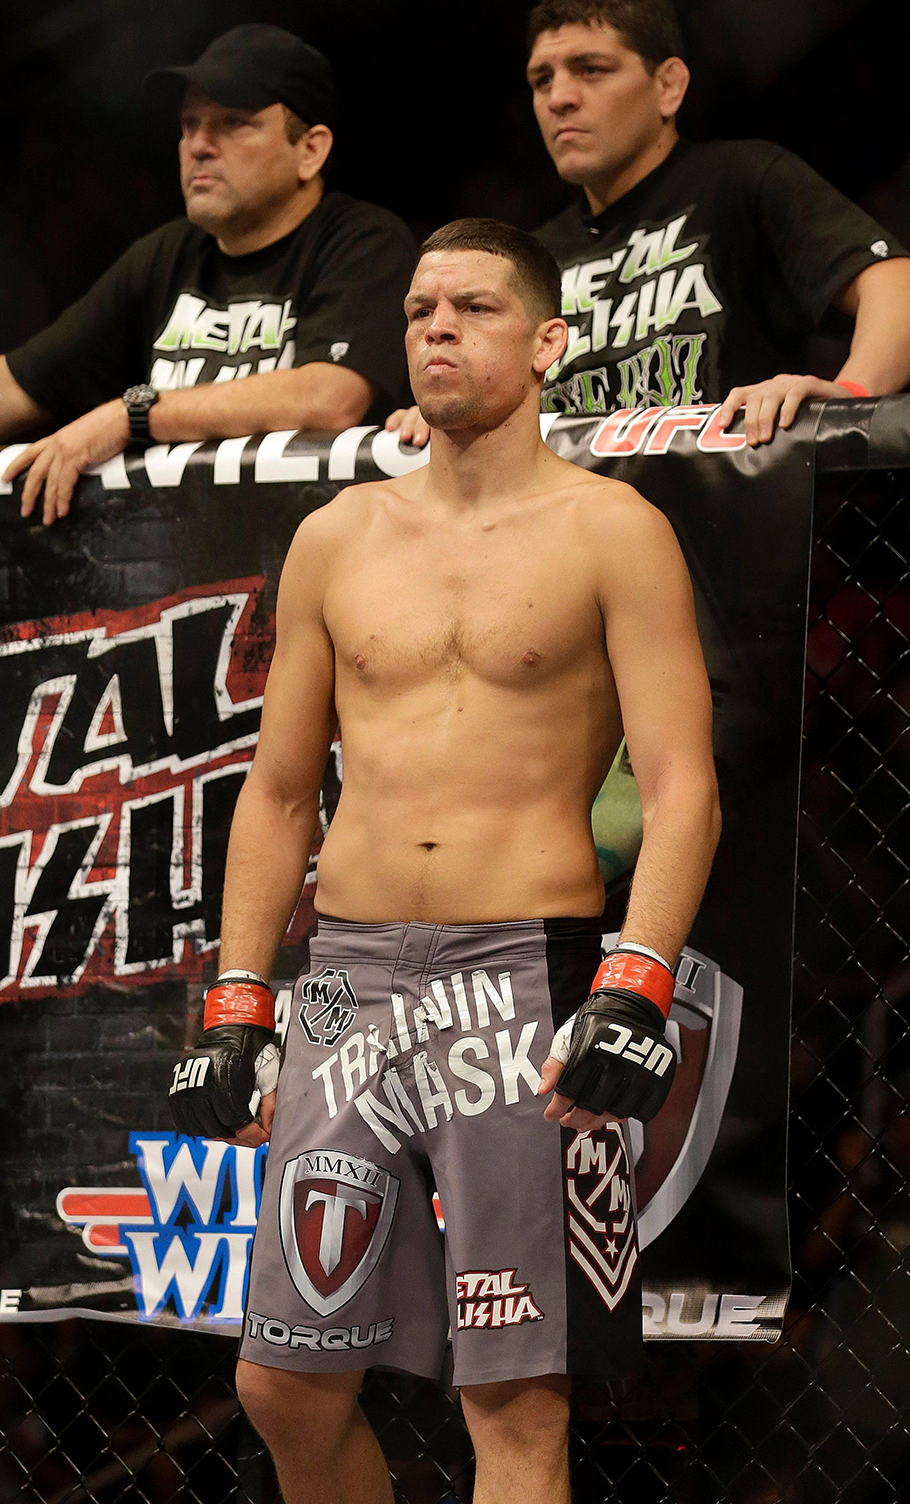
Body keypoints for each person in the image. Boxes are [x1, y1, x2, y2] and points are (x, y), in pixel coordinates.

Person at [168, 218, 720, 1504]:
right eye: (420, 310)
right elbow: (282, 786)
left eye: (472, 308)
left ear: (546, 343)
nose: (437, 330)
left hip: (517, 970)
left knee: (514, 1399)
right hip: (350, 973)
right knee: (281, 1383)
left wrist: (635, 983)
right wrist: (242, 995)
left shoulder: (611, 530)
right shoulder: (339, 537)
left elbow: (685, 784)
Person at [387, 0, 910, 451]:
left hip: (724, 539)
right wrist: (451, 408)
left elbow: (907, 295)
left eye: (591, 69)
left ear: (669, 86)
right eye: (542, 78)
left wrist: (848, 399)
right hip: (570, 548)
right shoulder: (535, 254)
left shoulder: (739, 180)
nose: (558, 97)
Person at [1, 24, 415, 526]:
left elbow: (329, 398)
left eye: (233, 122)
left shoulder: (363, 243)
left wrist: (129, 416)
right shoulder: (165, 254)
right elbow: (18, 387)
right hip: (176, 567)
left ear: (310, 150)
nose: (198, 145)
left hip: (318, 563)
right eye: (189, 124)